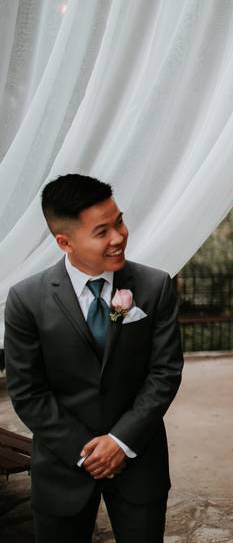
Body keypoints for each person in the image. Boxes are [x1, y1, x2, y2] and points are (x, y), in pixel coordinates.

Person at [4, 174, 183, 543]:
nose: (119, 237)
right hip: (61, 467)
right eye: (102, 232)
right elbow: (27, 392)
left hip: (139, 463)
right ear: (64, 242)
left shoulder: (155, 286)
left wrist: (119, 442)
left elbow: (164, 373)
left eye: (119, 221)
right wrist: (84, 452)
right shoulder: (26, 300)